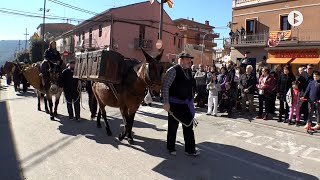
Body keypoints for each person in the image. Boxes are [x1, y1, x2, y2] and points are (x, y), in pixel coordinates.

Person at [162, 52, 200, 156]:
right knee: (173, 127)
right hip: (174, 104)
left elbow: (190, 86)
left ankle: (190, 149)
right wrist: (166, 102)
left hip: (186, 104)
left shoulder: (189, 71)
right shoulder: (172, 71)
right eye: (187, 59)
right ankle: (170, 147)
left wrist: (192, 96)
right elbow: (165, 87)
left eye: (190, 59)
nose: (189, 61)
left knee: (188, 126)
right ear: (181, 60)